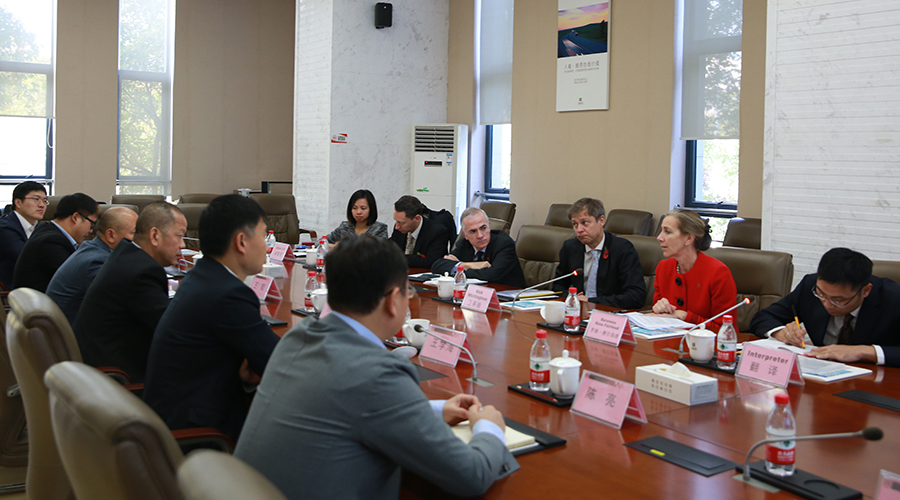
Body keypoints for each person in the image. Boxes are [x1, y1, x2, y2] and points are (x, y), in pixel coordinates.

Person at [236, 236, 517, 499]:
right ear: (393, 301)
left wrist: (432, 410)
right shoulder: (377, 375)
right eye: (408, 291)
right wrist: (489, 428)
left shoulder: (298, 336)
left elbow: (350, 405)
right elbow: (472, 475)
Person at [143, 195, 281, 441]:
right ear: (241, 242)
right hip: (201, 435)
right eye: (263, 237)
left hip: (172, 419)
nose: (267, 246)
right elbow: (279, 363)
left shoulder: (201, 277)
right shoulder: (228, 294)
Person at [73, 202, 186, 382]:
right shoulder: (142, 271)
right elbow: (172, 329)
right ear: (154, 236)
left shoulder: (127, 255)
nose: (182, 244)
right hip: (116, 378)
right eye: (179, 236)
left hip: (97, 364)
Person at [750, 248, 900, 367]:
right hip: (821, 374)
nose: (827, 304)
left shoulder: (894, 298)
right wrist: (782, 332)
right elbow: (763, 317)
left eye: (839, 300)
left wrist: (865, 351)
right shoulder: (810, 285)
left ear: (866, 291)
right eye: (821, 295)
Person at [46, 207, 138, 325]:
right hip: (69, 333)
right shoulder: (98, 262)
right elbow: (118, 305)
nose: (138, 240)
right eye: (134, 233)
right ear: (110, 235)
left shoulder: (92, 249)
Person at [651, 208, 737, 331]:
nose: (659, 237)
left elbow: (725, 329)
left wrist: (685, 316)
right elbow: (658, 316)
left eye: (668, 232)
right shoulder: (663, 267)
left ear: (689, 239)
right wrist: (659, 309)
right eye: (661, 231)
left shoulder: (718, 272)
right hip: (669, 337)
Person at [552, 198, 646, 309]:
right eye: (575, 224)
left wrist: (591, 301)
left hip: (610, 312)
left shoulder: (622, 249)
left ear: (601, 221)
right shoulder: (571, 247)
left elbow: (636, 296)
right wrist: (572, 297)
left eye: (585, 223)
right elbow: (558, 286)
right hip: (578, 310)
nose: (579, 230)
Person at [12, 193, 99, 292]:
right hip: (42, 301)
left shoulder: (46, 230)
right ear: (75, 217)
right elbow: (78, 280)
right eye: (91, 224)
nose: (91, 230)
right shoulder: (50, 243)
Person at [431, 207, 526, 287]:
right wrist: (467, 265)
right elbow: (437, 266)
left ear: (489, 226)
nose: (480, 235)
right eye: (473, 231)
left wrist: (460, 270)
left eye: (483, 228)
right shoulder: (464, 245)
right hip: (478, 295)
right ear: (465, 234)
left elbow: (491, 275)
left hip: (509, 296)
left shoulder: (504, 243)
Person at [0, 181, 47, 289]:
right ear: (18, 202)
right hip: (13, 291)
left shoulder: (40, 227)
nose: (41, 205)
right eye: (36, 199)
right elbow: (26, 259)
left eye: (45, 201)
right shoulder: (5, 228)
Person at [389, 195, 449, 269]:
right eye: (396, 221)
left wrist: (399, 258)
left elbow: (431, 261)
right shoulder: (399, 228)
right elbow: (391, 248)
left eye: (401, 223)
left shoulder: (437, 231)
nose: (397, 227)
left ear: (417, 218)